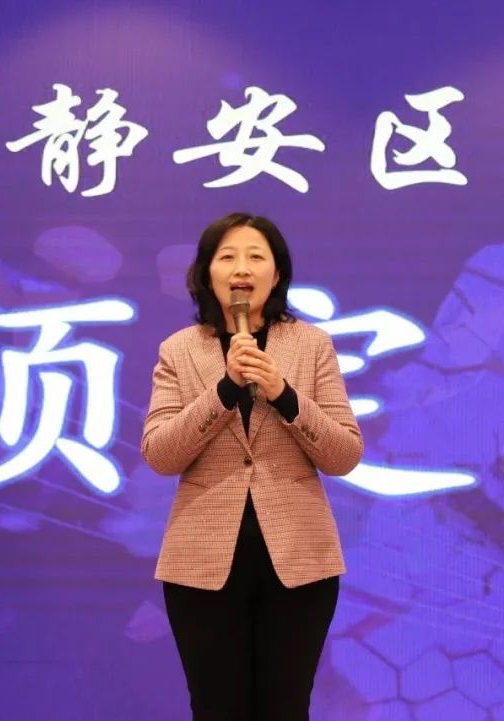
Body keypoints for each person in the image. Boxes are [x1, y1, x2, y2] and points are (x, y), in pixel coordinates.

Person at [141, 212, 363, 721]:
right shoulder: (179, 350)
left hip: (299, 562)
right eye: (228, 257)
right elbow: (160, 454)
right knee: (217, 708)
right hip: (201, 564)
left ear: (276, 274)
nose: (241, 268)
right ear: (207, 272)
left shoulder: (312, 345)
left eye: (256, 257)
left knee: (285, 707)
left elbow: (344, 455)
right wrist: (223, 390)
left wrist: (284, 395)